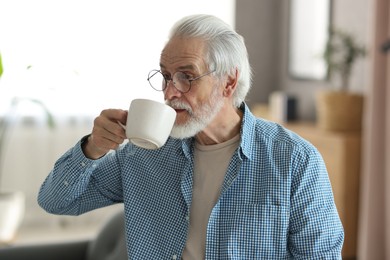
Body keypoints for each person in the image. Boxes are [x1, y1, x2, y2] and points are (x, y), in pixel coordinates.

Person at [38, 14, 344, 259]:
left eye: (187, 76)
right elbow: (55, 201)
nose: (171, 92)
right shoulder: (143, 153)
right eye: (166, 76)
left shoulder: (295, 160)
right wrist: (93, 148)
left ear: (229, 81)